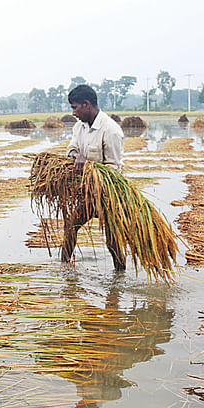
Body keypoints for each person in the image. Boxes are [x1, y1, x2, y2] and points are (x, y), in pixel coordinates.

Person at [62, 84, 126, 270]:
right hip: (88, 194)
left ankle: (119, 277)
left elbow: (114, 168)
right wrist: (78, 156)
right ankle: (64, 269)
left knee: (113, 240)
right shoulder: (79, 127)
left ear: (87, 104)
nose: (73, 112)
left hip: (108, 195)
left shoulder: (111, 130)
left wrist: (89, 169)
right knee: (71, 226)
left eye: (75, 107)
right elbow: (71, 150)